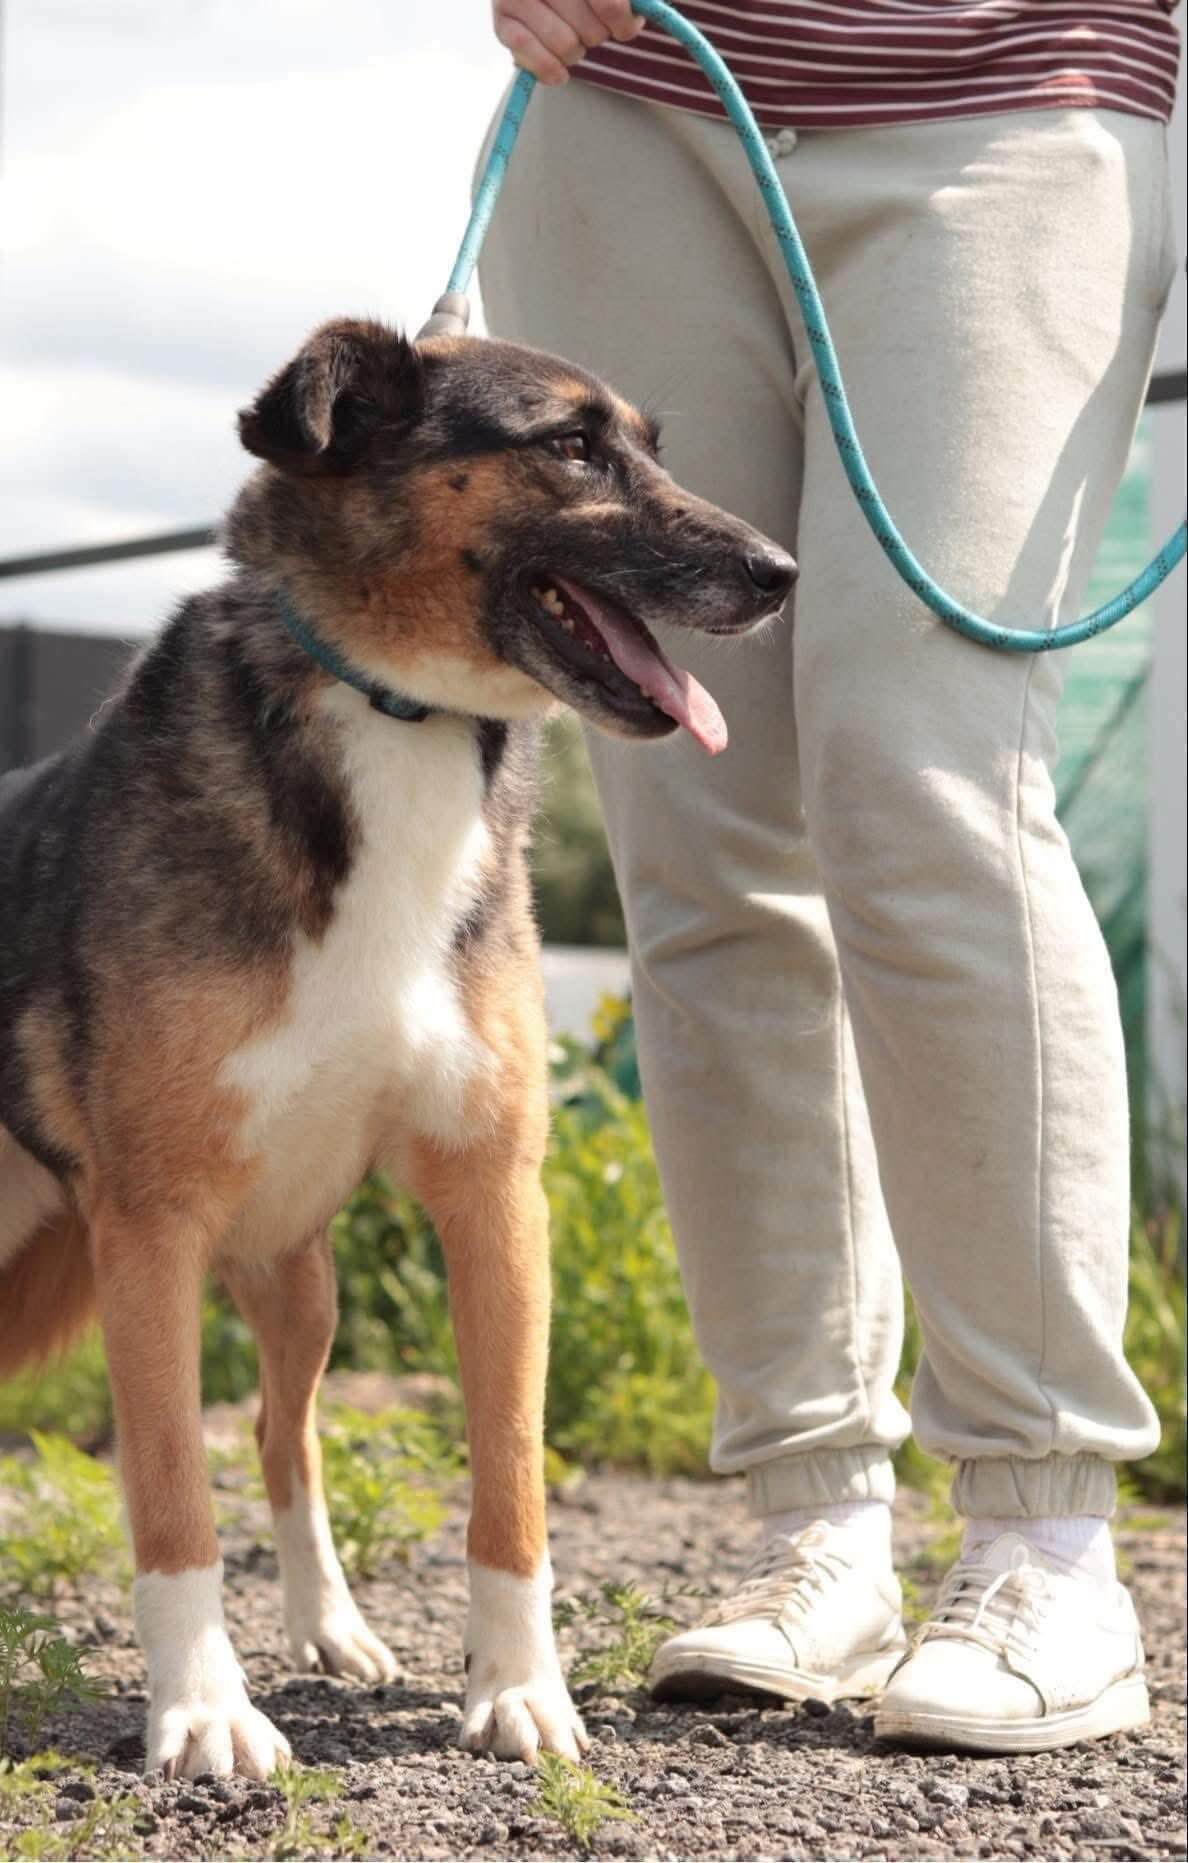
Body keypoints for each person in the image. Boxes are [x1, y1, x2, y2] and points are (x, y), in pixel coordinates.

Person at [479, 0, 1180, 1753]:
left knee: (925, 772)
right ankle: (817, 1526)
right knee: (697, 819)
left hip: (1018, 91)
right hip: (632, 98)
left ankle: (1046, 1539)